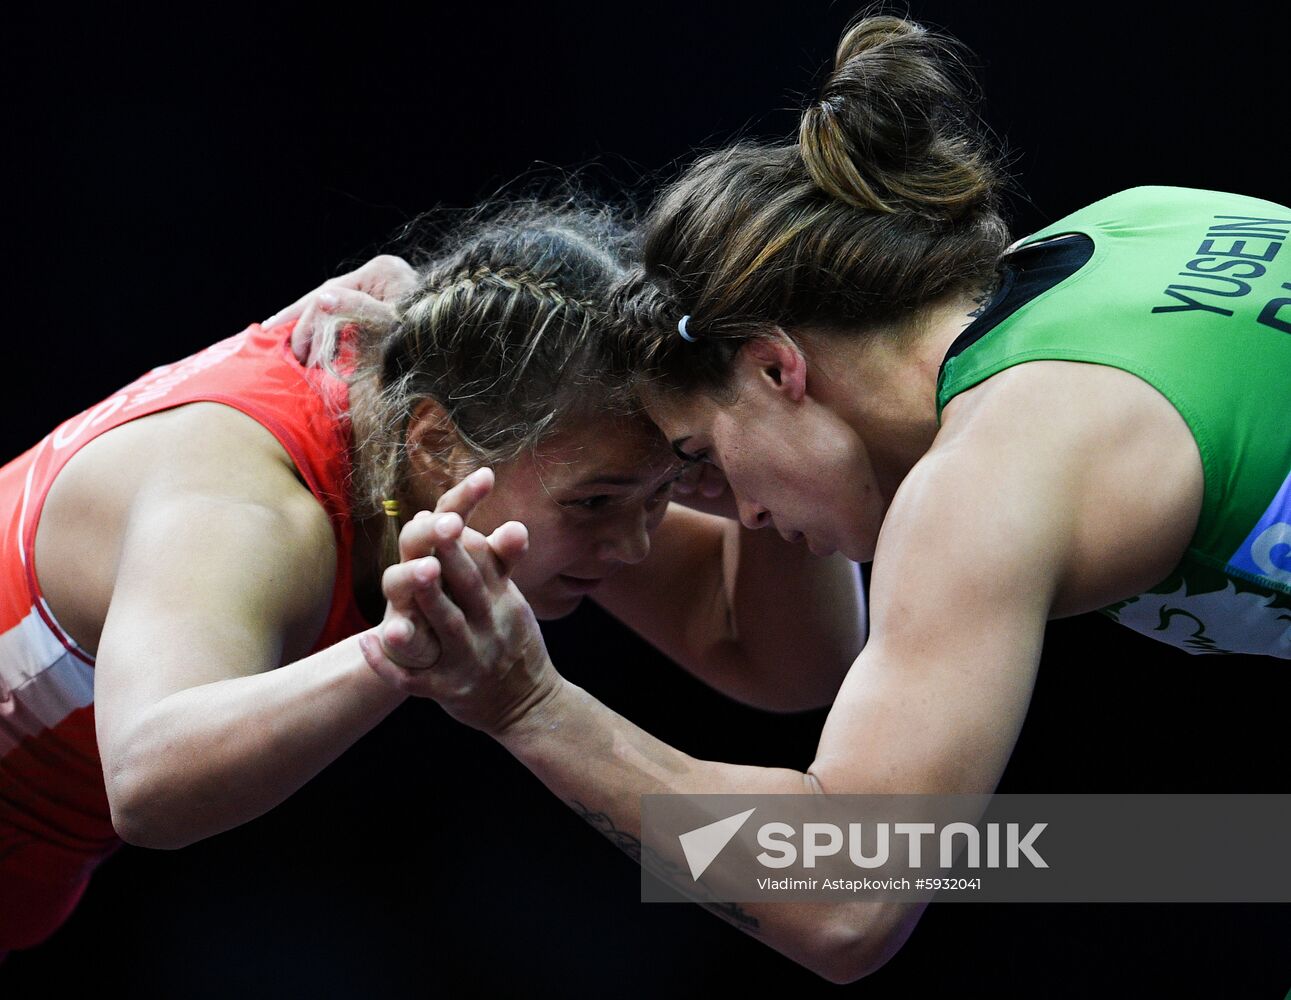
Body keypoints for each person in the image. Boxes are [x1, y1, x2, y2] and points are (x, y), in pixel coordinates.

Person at [352, 14, 1290, 984]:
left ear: (774, 367)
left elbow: (843, 898)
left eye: (700, 457)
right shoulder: (1135, 225)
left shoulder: (985, 479)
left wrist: (527, 704)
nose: (741, 516)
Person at [0, 199, 865, 958]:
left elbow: (785, 664)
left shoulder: (480, 424)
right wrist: (393, 653)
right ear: (435, 442)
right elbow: (149, 784)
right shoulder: (252, 510)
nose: (636, 545)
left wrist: (758, 461)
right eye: (600, 501)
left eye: (665, 490)